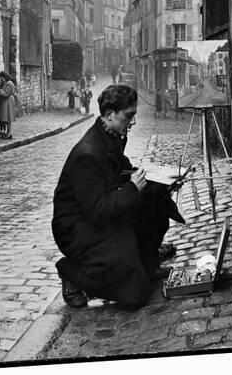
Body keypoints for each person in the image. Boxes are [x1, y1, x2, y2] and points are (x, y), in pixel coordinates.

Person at [52, 84, 185, 309]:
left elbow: (122, 171)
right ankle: (70, 272)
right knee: (135, 295)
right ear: (109, 115)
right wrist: (133, 189)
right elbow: (98, 211)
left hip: (100, 216)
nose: (133, 122)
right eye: (129, 116)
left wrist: (163, 184)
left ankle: (145, 267)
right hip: (77, 229)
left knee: (155, 205)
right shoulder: (87, 154)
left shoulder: (111, 135)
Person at [0, 71, 16, 139]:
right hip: (6, 102)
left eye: (2, 77)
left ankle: (9, 133)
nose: (1, 79)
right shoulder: (6, 83)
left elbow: (6, 93)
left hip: (8, 102)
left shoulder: (9, 83)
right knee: (6, 118)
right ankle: (8, 132)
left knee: (8, 118)